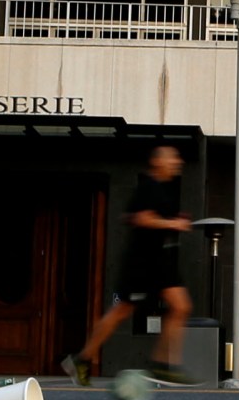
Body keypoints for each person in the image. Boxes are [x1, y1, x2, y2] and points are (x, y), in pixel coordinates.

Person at [64, 144, 195, 385]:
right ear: (157, 162)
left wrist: (174, 221)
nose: (178, 162)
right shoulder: (148, 187)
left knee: (181, 306)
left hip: (161, 261)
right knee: (121, 311)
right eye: (172, 158)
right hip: (142, 262)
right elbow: (139, 218)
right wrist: (172, 224)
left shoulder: (166, 190)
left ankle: (165, 364)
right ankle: (82, 358)